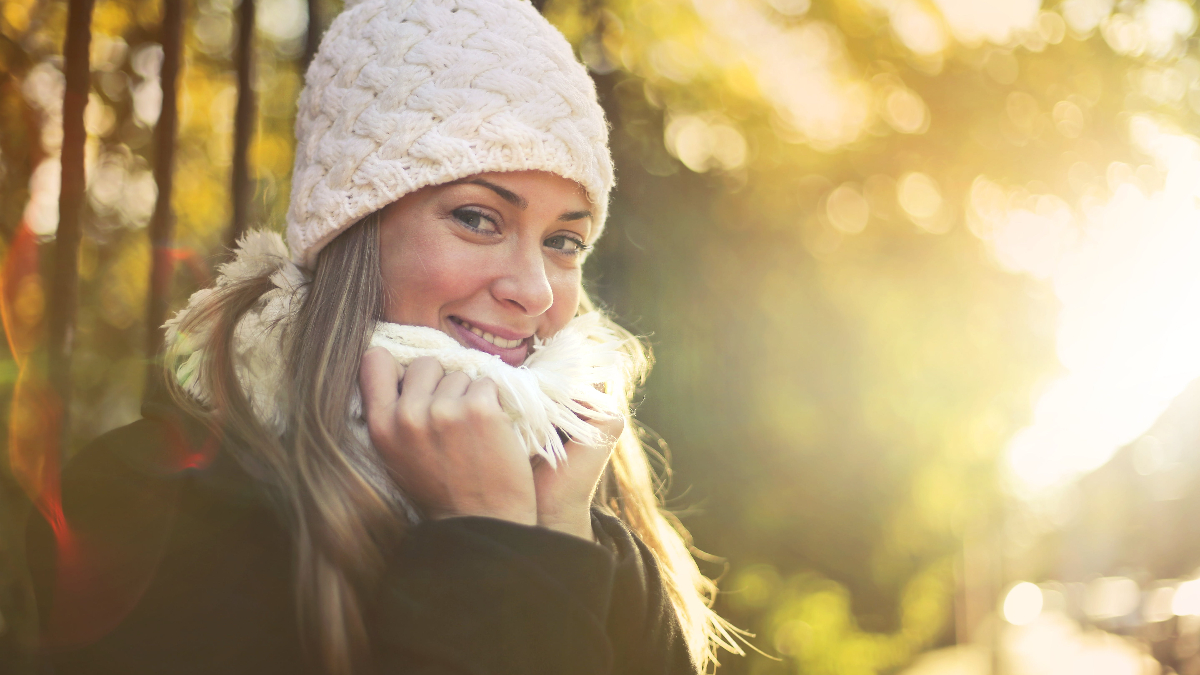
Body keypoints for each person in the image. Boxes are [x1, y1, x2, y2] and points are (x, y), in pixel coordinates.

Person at [25, 1, 739, 673]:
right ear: (351, 230)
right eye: (478, 218)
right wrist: (490, 544)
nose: (536, 289)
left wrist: (553, 529)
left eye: (563, 240)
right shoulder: (153, 514)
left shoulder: (596, 515)